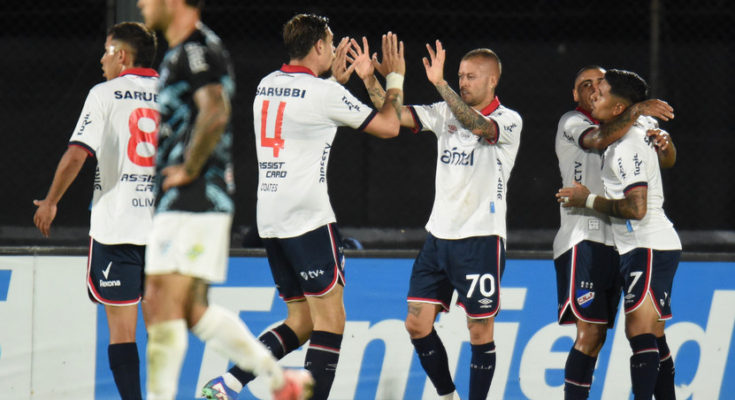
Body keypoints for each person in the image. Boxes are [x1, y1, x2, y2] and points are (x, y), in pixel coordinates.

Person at [201, 13, 406, 400]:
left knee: (302, 321)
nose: (334, 49)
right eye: (330, 44)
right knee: (332, 322)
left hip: (272, 220)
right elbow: (390, 126)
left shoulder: (267, 85)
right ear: (318, 47)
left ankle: (226, 384)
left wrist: (334, 82)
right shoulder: (325, 95)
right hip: (308, 220)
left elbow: (306, 117)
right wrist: (383, 78)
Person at [136, 1, 311, 399]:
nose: (142, 3)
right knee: (192, 311)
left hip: (195, 195)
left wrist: (188, 169)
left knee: (161, 302)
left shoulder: (196, 50)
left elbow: (214, 110)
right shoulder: (184, 51)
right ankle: (280, 379)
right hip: (189, 198)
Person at [354, 38, 521, 399]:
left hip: (480, 238)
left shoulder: (508, 121)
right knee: (416, 324)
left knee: (479, 332)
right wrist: (370, 80)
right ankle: (447, 395)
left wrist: (440, 84)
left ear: (493, 80)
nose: (463, 82)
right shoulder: (443, 111)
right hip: (438, 238)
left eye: (471, 77)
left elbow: (477, 126)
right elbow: (393, 117)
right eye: (459, 76)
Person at [32, 22, 158, 400]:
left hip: (116, 228)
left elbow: (76, 155)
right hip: (164, 231)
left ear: (122, 56)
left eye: (107, 51)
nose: (102, 59)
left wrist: (52, 201)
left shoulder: (105, 93)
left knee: (122, 334)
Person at [557, 69, 681, 400]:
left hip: (647, 244)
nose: (594, 93)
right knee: (651, 335)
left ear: (618, 109)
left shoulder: (625, 143)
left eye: (601, 89)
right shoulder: (595, 125)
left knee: (640, 333)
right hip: (636, 247)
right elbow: (661, 155)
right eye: (589, 87)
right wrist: (659, 140)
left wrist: (589, 200)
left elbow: (637, 207)